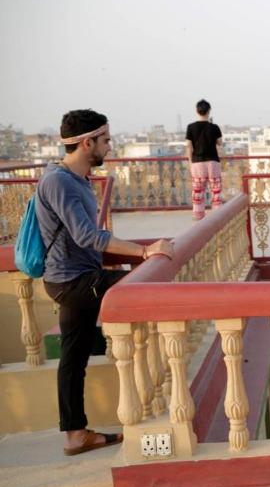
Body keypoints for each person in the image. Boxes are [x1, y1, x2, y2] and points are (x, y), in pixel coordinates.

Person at [38, 109, 175, 456]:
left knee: (74, 355)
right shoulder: (60, 182)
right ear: (87, 143)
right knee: (144, 285)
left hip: (73, 276)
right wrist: (144, 253)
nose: (110, 147)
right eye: (106, 140)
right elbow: (88, 236)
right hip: (74, 279)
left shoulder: (75, 180)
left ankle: (75, 433)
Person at [185, 99, 223, 221]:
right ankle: (217, 217)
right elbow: (220, 143)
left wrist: (191, 162)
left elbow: (188, 146)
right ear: (209, 111)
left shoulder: (190, 127)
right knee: (215, 192)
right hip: (212, 162)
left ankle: (198, 217)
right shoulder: (214, 127)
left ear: (197, 111)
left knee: (198, 192)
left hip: (198, 163)